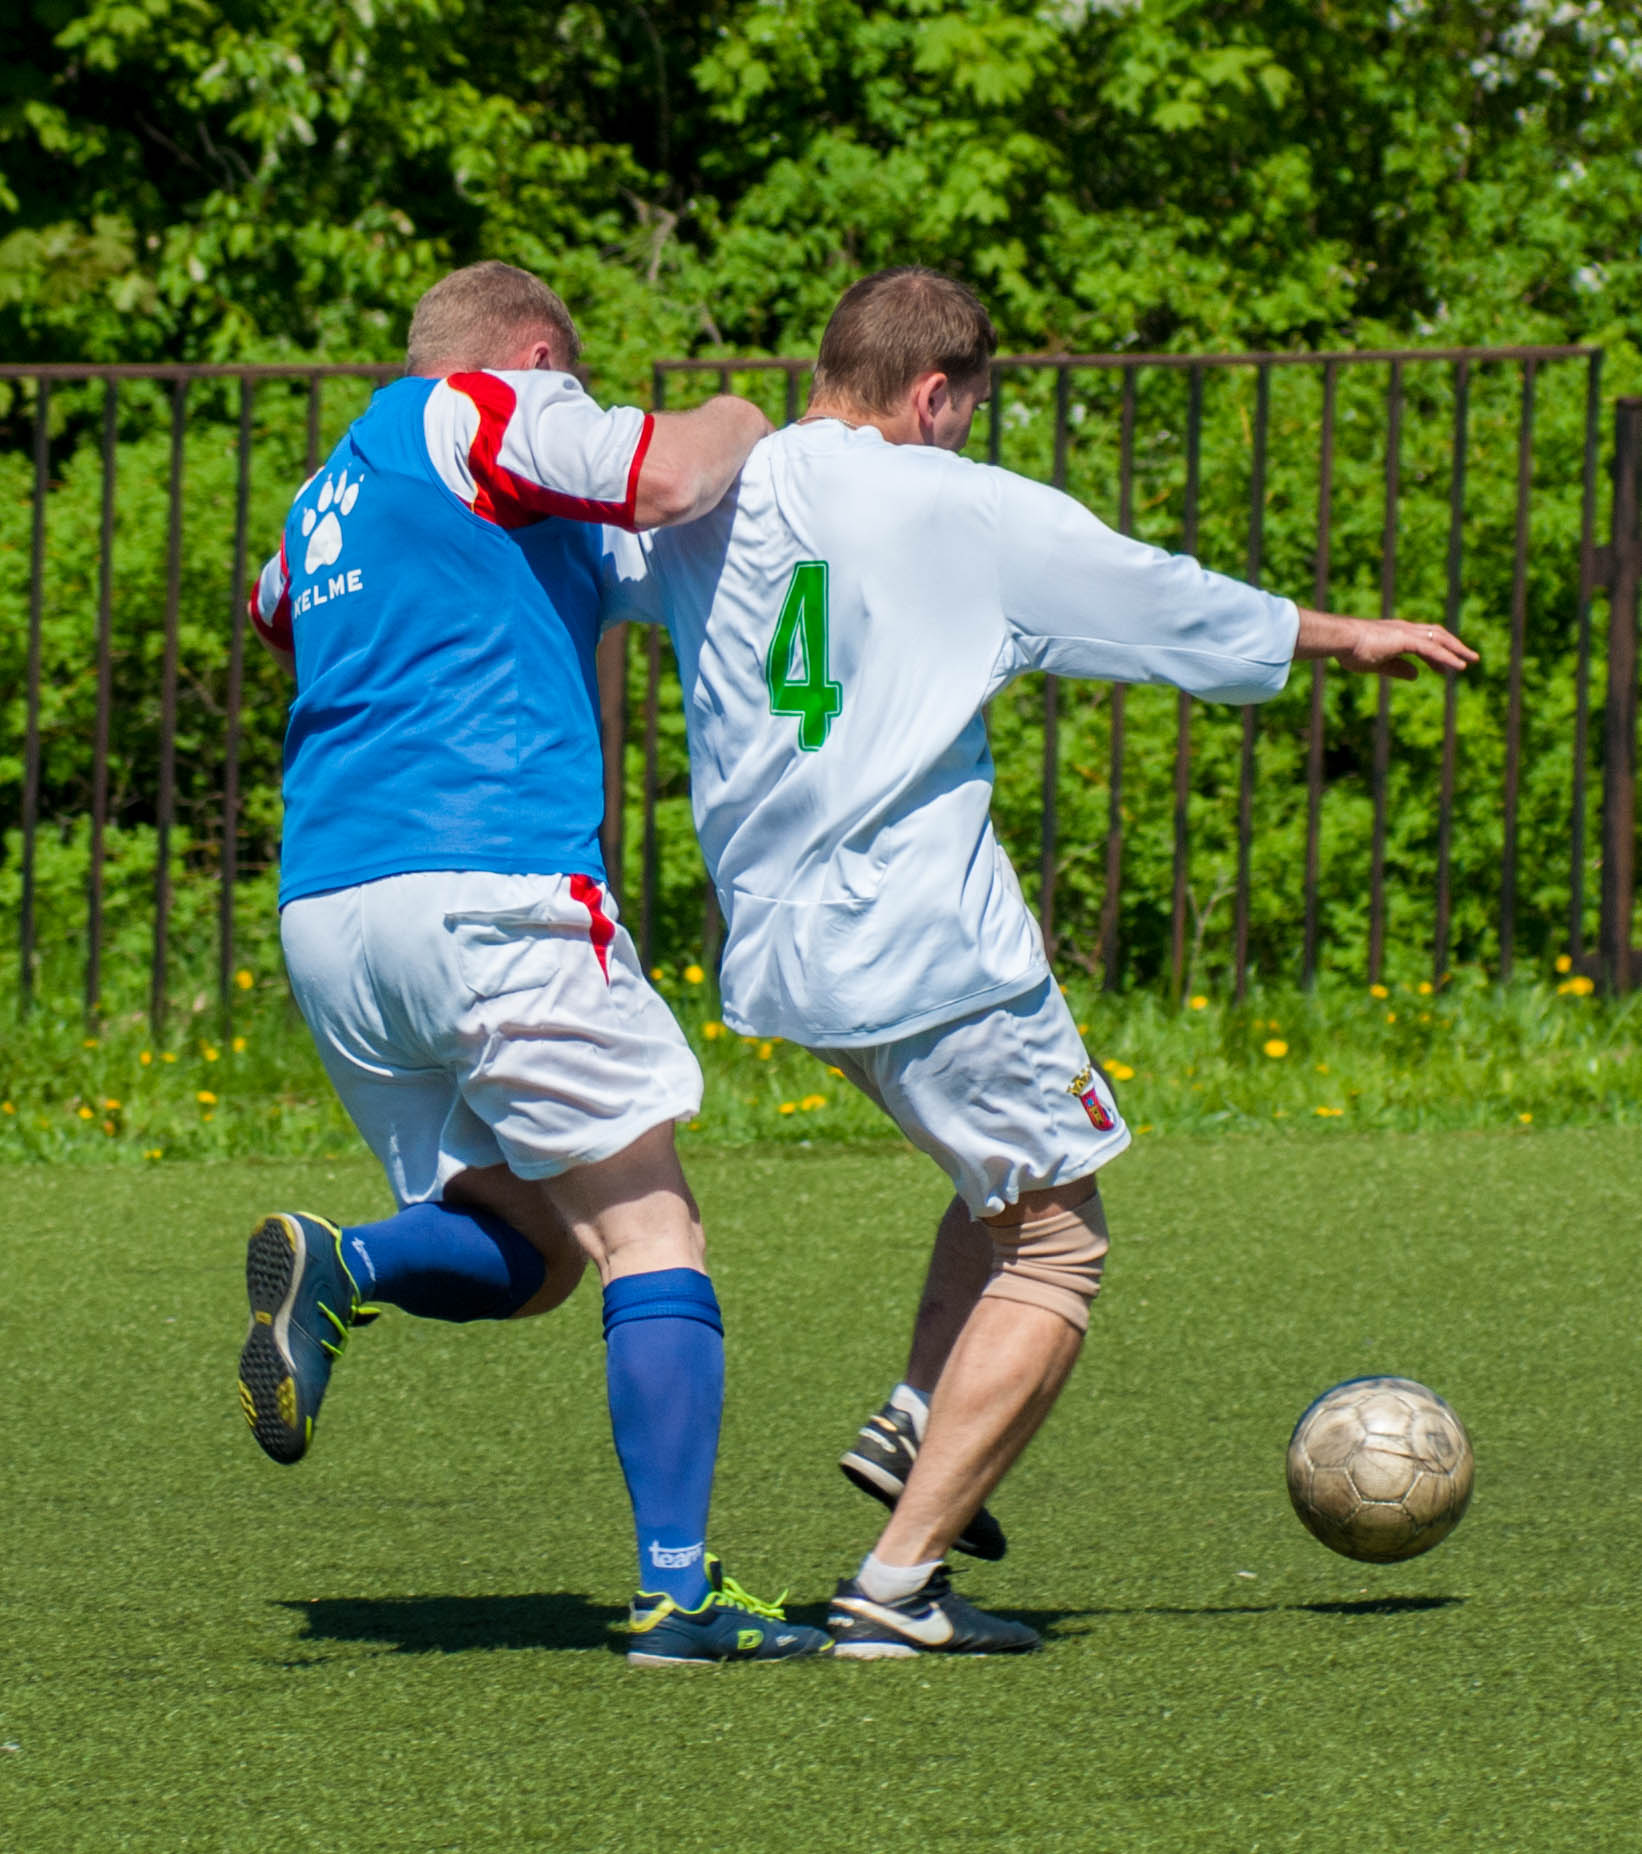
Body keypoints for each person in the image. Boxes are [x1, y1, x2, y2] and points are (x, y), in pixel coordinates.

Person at [601, 266, 1477, 1657]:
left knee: (1006, 1172)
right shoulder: (956, 503)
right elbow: (1162, 601)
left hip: (785, 945)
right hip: (924, 941)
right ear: (933, 394)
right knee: (1061, 1242)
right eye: (964, 410)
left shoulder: (725, 491)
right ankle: (897, 1589)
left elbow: (603, 570)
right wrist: (1343, 636)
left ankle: (915, 1416)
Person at [240, 259, 831, 1666]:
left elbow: (279, 613)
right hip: (489, 886)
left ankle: (344, 1264)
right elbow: (670, 473)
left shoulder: (324, 497)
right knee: (651, 1232)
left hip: (333, 912)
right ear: (536, 355)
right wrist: (747, 416)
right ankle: (678, 1597)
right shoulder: (479, 410)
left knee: (542, 1249)